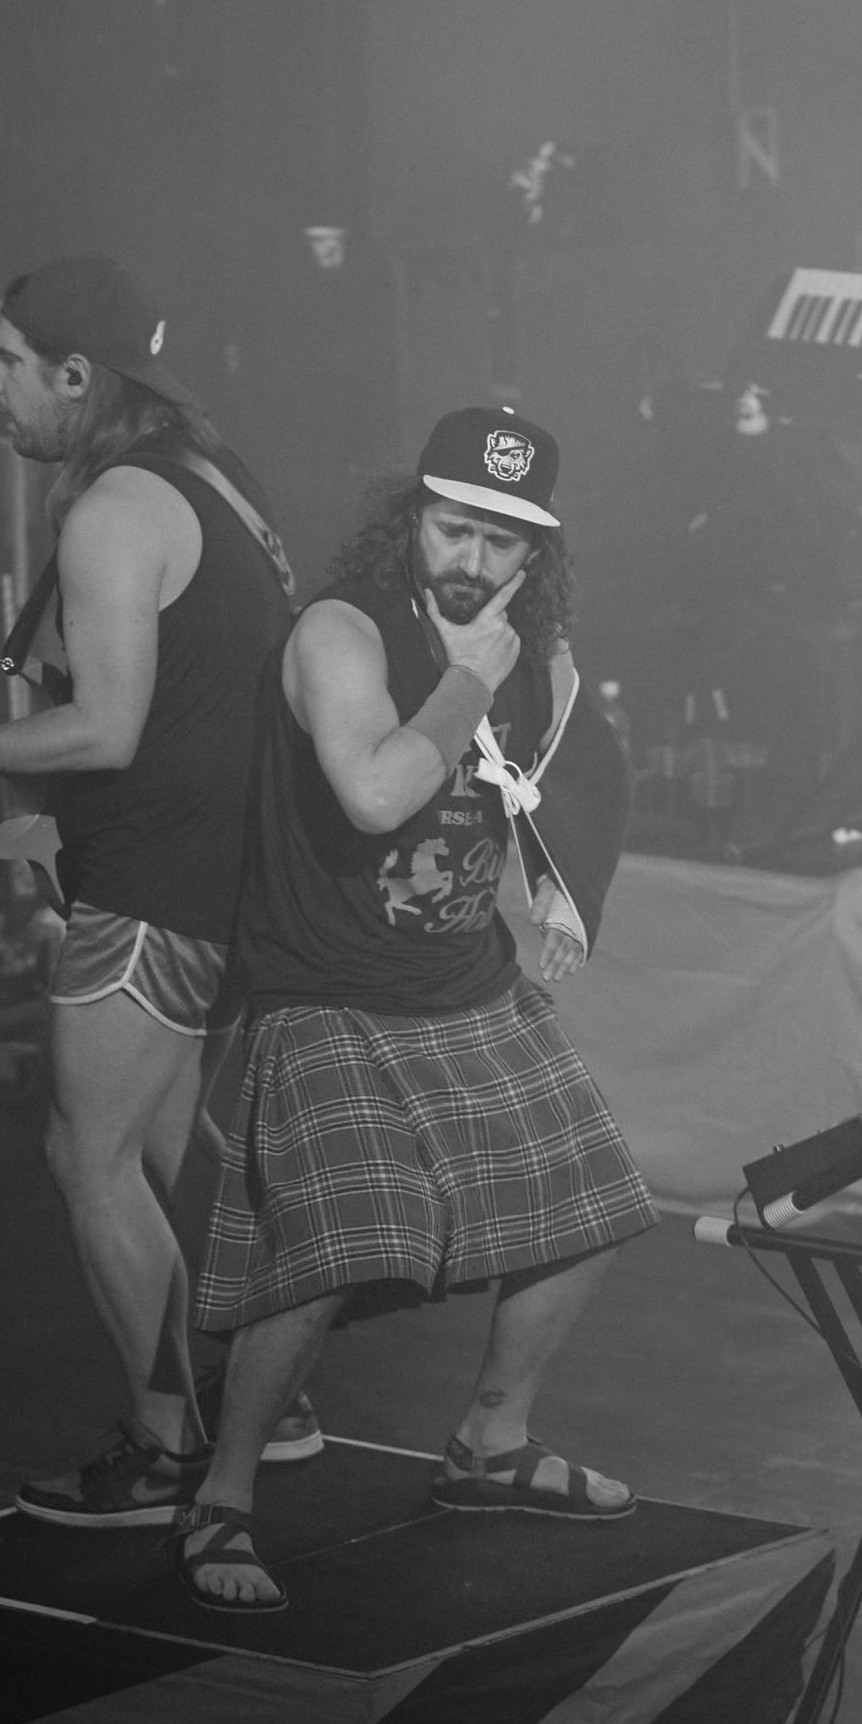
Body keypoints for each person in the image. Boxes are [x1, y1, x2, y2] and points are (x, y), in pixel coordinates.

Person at [173, 406, 659, 1611]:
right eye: (452, 529)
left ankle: (490, 1441)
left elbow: (576, 768)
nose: (470, 562)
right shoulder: (342, 632)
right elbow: (376, 794)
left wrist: (562, 889)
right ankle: (221, 1495)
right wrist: (462, 682)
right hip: (326, 988)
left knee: (592, 1201)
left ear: (533, 554)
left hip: (461, 982)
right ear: (411, 521)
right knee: (336, 1242)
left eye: (500, 541)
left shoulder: (530, 652)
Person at [0, 255, 306, 1526]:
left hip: (160, 881)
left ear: (73, 374)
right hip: (229, 868)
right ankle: (267, 1398)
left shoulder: (113, 507)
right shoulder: (210, 472)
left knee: (86, 1151)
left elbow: (107, 728)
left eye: (5, 359)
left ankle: (166, 1440)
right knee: (167, 1140)